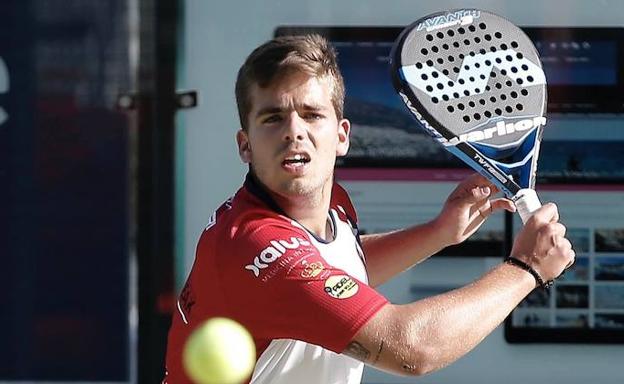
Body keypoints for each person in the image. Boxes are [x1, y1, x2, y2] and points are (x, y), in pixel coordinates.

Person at [163, 34, 574, 384]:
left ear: (342, 136)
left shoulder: (330, 207)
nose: (294, 132)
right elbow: (411, 348)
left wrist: (437, 232)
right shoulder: (255, 246)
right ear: (245, 145)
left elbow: (329, 276)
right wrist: (526, 269)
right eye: (273, 118)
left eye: (311, 115)